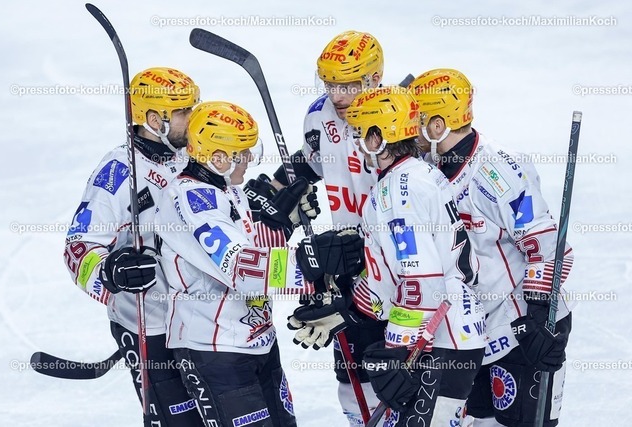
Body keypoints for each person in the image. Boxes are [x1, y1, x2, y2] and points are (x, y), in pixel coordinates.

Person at [153, 100, 364, 427]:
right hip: (217, 351)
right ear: (218, 158)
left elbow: (252, 249)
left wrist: (282, 224)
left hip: (256, 341)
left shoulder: (226, 188)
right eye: (242, 153)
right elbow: (241, 269)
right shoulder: (192, 201)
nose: (250, 159)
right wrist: (309, 262)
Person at [292, 86, 486, 425]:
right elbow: (391, 277)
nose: (355, 143)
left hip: (439, 340)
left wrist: (399, 348)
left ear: (378, 138)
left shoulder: (399, 191)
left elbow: (422, 282)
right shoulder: (414, 175)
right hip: (447, 334)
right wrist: (348, 312)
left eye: (360, 134)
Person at [409, 69, 574, 427]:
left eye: (416, 120)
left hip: (522, 327)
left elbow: (547, 245)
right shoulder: (425, 170)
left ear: (437, 126)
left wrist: (539, 316)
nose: (409, 129)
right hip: (472, 332)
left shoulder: (497, 171)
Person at [243, 30, 386, 426]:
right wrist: (278, 189)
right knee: (353, 377)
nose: (337, 95)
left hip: (396, 264)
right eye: (330, 84)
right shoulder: (319, 116)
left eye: (348, 85)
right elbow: (311, 161)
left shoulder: (397, 120)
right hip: (346, 259)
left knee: (400, 374)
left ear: (375, 79)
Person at [64, 67, 205, 426]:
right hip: (149, 324)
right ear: (155, 120)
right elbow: (78, 247)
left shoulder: (193, 155)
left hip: (201, 321)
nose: (194, 117)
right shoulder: (118, 171)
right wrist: (110, 271)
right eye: (184, 111)